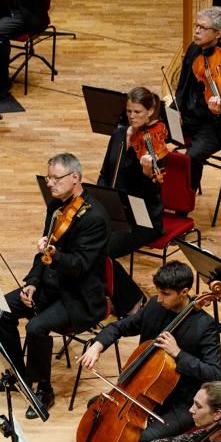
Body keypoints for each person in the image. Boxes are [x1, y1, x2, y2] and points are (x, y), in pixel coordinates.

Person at [79, 261, 221, 442]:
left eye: (165, 294)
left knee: (147, 437)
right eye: (158, 292)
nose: (159, 298)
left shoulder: (205, 327)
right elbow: (120, 327)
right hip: (142, 391)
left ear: (184, 292)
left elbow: (215, 373)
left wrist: (178, 354)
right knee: (97, 407)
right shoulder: (156, 308)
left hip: (180, 403)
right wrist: (97, 346)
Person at [0, 153, 109, 416]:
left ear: (75, 178)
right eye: (48, 178)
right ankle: (18, 375)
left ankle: (43, 389)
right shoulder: (56, 208)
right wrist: (32, 282)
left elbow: (78, 266)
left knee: (36, 327)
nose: (49, 184)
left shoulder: (95, 218)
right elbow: (42, 255)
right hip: (50, 286)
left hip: (78, 297)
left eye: (55, 178)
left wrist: (53, 255)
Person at [95, 87, 167, 317]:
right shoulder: (118, 136)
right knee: (83, 239)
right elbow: (105, 173)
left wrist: (147, 173)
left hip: (143, 217)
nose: (132, 116)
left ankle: (133, 300)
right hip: (114, 210)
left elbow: (152, 191)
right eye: (129, 111)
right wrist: (102, 199)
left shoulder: (153, 144)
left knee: (100, 250)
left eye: (137, 111)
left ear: (151, 111)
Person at [172, 6, 221, 193]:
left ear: (218, 33)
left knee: (192, 157)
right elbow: (182, 87)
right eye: (196, 26)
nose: (197, 31)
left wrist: (218, 111)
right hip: (188, 118)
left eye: (203, 28)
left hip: (214, 128)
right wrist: (176, 110)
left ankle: (184, 201)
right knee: (145, 131)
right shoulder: (193, 49)